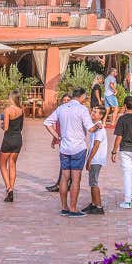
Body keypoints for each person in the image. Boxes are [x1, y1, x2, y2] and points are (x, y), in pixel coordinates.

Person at [42, 88, 98, 217]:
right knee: (76, 178)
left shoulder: (62, 108)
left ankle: (64, 207)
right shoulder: (82, 109)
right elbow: (90, 128)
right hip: (78, 147)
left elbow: (47, 122)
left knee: (64, 177)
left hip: (64, 147)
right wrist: (99, 125)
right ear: (82, 97)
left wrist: (57, 136)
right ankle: (73, 208)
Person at [110, 96, 132, 209]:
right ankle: (131, 196)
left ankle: (128, 201)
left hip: (125, 149)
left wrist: (114, 151)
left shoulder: (122, 119)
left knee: (127, 174)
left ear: (124, 105)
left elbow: (119, 136)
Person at [0, 90, 24, 202]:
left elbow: (6, 128)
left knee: (3, 165)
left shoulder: (7, 110)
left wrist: (2, 125)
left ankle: (9, 189)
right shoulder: (22, 110)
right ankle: (12, 188)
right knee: (12, 164)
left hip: (8, 139)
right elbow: (21, 126)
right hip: (18, 139)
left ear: (11, 98)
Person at [45, 93, 73, 192]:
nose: (65, 102)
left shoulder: (72, 113)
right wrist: (54, 139)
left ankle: (62, 184)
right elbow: (57, 129)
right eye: (64, 100)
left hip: (69, 141)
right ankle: (64, 183)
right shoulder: (60, 111)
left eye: (68, 100)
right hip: (62, 140)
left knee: (66, 163)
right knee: (65, 163)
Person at [83, 106, 108, 215]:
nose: (92, 113)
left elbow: (96, 146)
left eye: (95, 112)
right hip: (94, 158)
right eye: (92, 111)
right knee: (92, 182)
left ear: (101, 115)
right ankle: (93, 204)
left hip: (96, 159)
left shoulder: (100, 128)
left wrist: (89, 160)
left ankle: (99, 206)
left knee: (94, 182)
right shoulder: (96, 126)